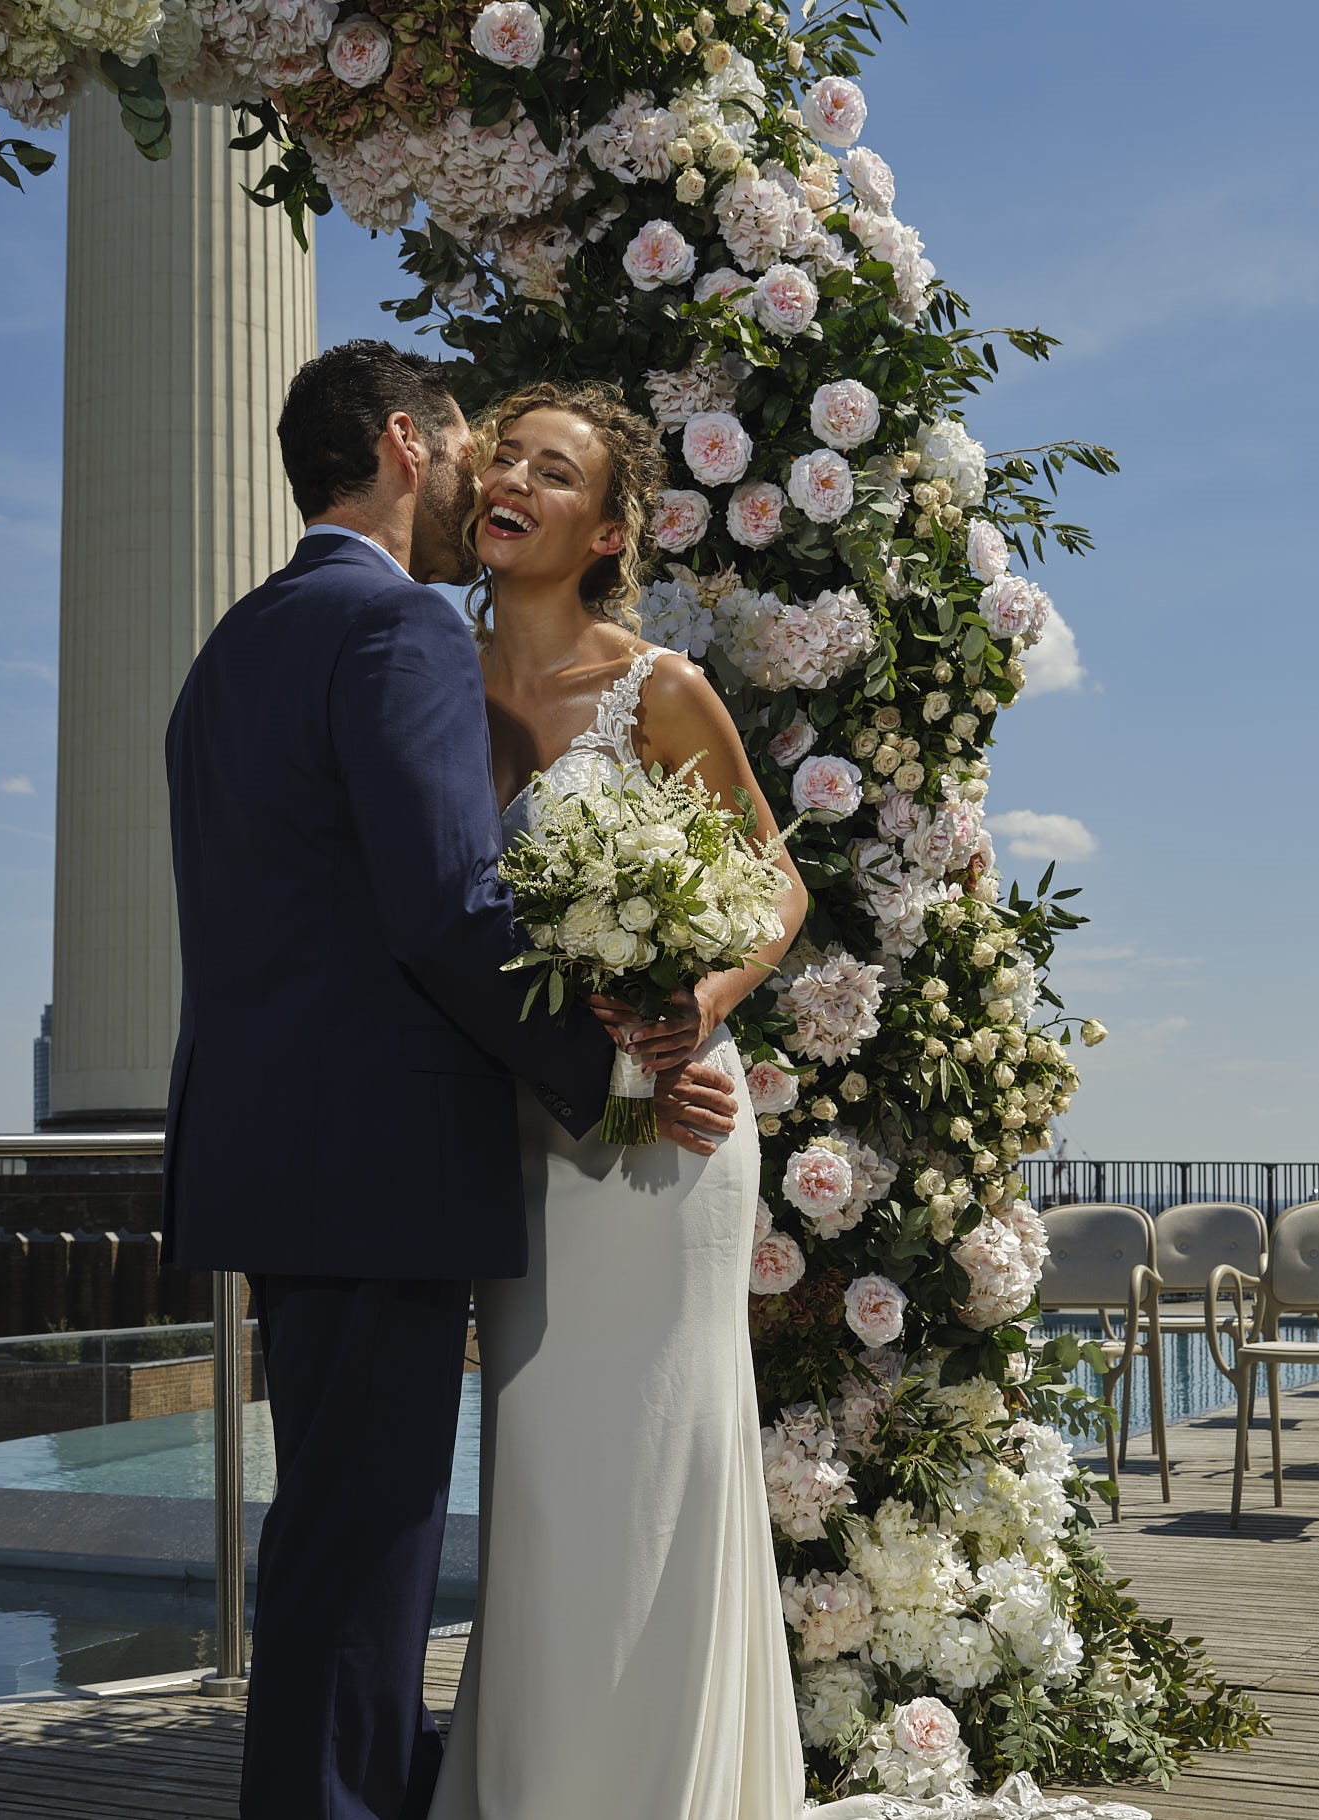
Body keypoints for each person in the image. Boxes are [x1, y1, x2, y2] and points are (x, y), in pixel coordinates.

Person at [160, 341, 741, 1820]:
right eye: (480, 445)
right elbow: (438, 904)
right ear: (409, 447)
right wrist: (604, 1078)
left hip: (270, 1157)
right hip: (385, 1162)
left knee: (329, 1542)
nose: (490, 475)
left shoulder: (228, 650)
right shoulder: (403, 630)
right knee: (365, 1555)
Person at [426, 381, 812, 1818]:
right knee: (545, 1468)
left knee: (662, 1449)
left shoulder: (659, 690)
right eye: (502, 460)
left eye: (555, 468)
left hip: (666, 1128)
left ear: (607, 528)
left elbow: (778, 878)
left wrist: (691, 1013)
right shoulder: (423, 675)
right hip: (517, 1134)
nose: (515, 479)